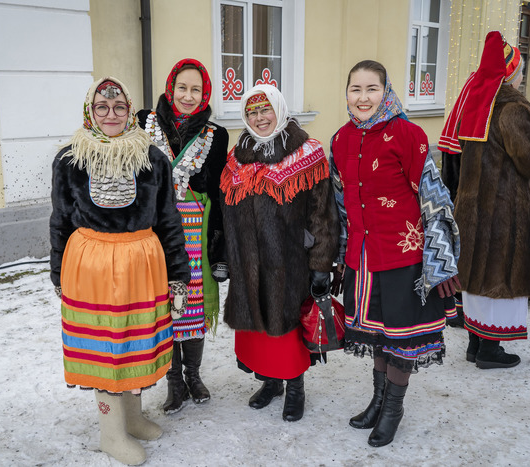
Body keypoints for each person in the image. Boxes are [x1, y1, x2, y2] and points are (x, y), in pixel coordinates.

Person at [49, 77, 190, 465]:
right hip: (91, 266)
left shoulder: (153, 158)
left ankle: (133, 416)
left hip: (141, 263)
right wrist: (58, 271)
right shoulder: (69, 159)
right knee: (104, 347)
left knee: (134, 340)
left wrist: (179, 274)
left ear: (130, 112)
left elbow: (168, 220)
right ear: (89, 112)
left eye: (119, 108)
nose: (110, 114)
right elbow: (60, 220)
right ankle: (111, 434)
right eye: (101, 108)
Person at [330, 60, 460, 447]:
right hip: (362, 258)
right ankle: (378, 399)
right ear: (347, 94)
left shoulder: (409, 134)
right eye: (356, 89)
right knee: (377, 334)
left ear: (385, 92)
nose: (363, 97)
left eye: (372, 89)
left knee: (400, 337)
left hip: (404, 257)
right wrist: (338, 254)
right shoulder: (339, 139)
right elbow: (339, 203)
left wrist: (439, 262)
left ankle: (392, 410)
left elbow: (434, 198)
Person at [220, 84, 339, 422]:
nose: (259, 118)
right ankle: (271, 382)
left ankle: (296, 387)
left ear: (279, 110)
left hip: (289, 264)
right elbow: (227, 213)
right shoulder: (237, 155)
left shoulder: (307, 152)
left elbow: (323, 214)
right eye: (252, 112)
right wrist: (228, 257)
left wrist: (320, 264)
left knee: (287, 331)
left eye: (265, 110)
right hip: (247, 263)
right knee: (258, 329)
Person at [443, 32, 530, 370]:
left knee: (478, 276)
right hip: (504, 209)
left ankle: (476, 344)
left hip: (473, 206)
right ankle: (491, 350)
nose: (523, 75)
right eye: (520, 70)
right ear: (511, 73)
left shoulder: (477, 102)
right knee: (498, 276)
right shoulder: (513, 107)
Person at [137, 58, 229, 414]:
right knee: (163, 307)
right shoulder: (144, 124)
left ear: (205, 93)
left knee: (192, 306)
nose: (188, 96)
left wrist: (219, 251)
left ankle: (193, 374)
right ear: (170, 88)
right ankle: (173, 381)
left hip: (197, 232)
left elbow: (219, 194)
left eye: (196, 90)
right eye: (182, 88)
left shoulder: (215, 135)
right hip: (155, 232)